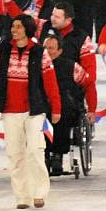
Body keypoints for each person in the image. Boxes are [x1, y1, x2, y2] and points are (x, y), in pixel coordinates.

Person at [0, 14, 61, 209]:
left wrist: (56, 108)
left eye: (18, 27)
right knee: (15, 154)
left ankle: (39, 192)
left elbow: (50, 81)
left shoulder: (40, 52)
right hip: (10, 109)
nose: (14, 30)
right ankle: (21, 196)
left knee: (35, 151)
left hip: (34, 110)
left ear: (27, 29)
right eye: (13, 26)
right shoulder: (4, 49)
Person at [42, 33, 94, 176]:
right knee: (40, 118)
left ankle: (58, 154)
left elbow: (88, 84)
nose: (47, 51)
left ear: (60, 51)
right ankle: (44, 156)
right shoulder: (36, 66)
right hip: (43, 104)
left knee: (62, 115)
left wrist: (92, 109)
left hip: (67, 104)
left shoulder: (71, 67)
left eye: (51, 48)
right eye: (45, 48)